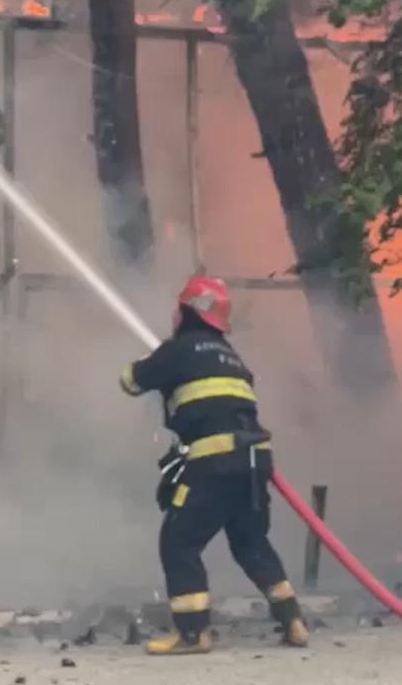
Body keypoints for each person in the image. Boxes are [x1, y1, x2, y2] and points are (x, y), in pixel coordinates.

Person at [120, 275, 311, 654]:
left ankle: (192, 634)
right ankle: (293, 620)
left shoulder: (176, 351)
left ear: (186, 312)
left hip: (214, 461)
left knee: (179, 541)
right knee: (251, 541)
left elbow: (130, 382)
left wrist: (153, 358)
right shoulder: (231, 357)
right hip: (256, 460)